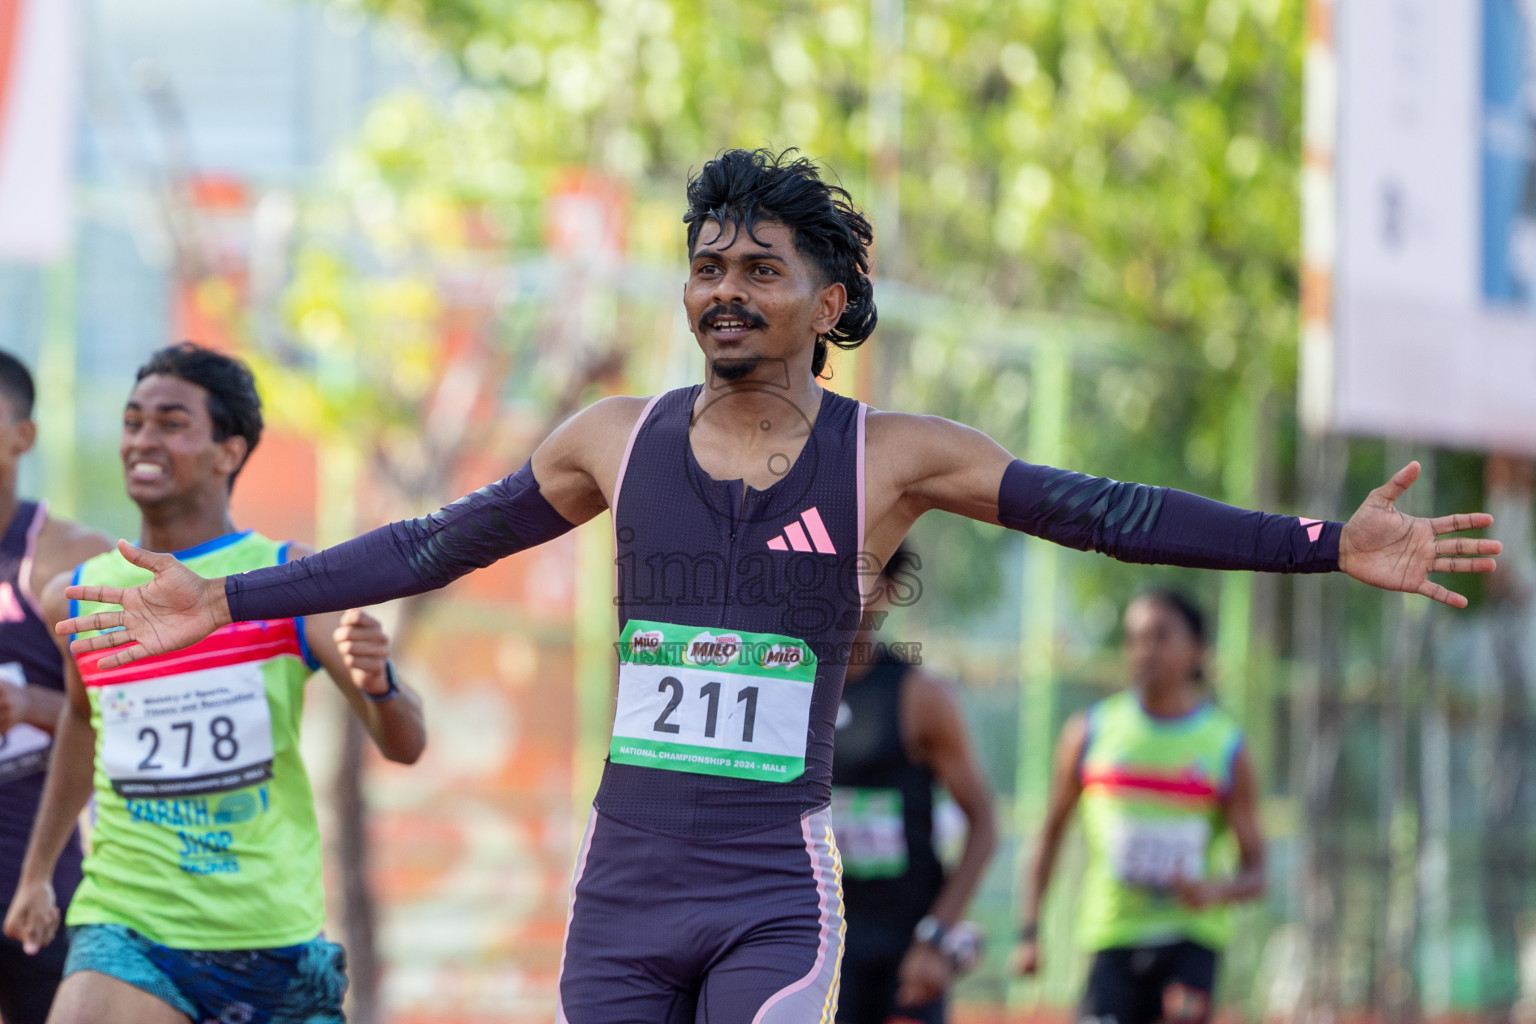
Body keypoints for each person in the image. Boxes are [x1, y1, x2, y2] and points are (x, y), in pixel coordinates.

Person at [54, 150, 1498, 1023]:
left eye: (759, 266)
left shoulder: (892, 459)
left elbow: (1109, 512)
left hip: (770, 894)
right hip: (623, 891)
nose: (722, 288)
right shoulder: (611, 442)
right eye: (704, 267)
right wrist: (232, 604)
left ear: (830, 300)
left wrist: (1325, 543)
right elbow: (433, 544)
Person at [4, 343, 427, 1024]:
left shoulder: (289, 580)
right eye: (133, 421)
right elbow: (84, 725)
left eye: (171, 423)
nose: (143, 439)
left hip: (270, 942)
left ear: (228, 452)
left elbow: (405, 743)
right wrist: (37, 874)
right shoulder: (81, 596)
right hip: (125, 924)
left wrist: (379, 684)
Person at [1013, 591, 1262, 1024]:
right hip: (1111, 937)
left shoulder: (1226, 748)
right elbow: (1048, 835)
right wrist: (1030, 932)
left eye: (1160, 636)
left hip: (1190, 941)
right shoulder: (1089, 733)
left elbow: (1257, 871)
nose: (1144, 651)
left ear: (1197, 649)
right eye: (1134, 638)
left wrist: (1213, 891)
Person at [831, 545, 997, 1024]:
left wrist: (936, 937)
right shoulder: (787, 690)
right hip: (815, 944)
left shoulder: (921, 698)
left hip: (901, 951)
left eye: (858, 576)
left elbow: (984, 827)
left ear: (887, 590)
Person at [0, 351, 112, 1024]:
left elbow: (128, 713)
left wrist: (30, 706)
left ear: (23, 436)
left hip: (40, 881)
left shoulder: (71, 555)